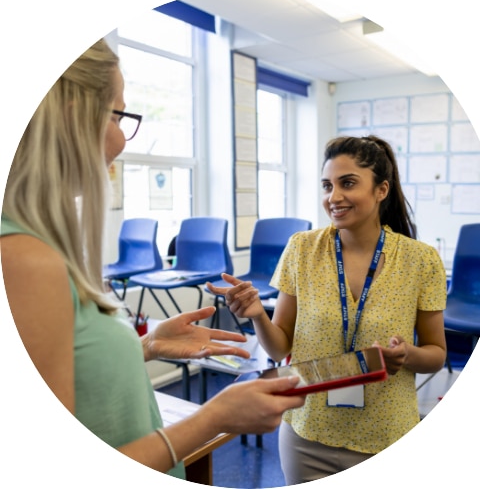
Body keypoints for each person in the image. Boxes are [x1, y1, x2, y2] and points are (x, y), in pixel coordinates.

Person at [0, 38, 305, 478]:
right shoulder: (25, 259)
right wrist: (214, 418)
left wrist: (145, 345)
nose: (122, 138)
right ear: (72, 114)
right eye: (119, 114)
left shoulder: (32, 244)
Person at [207, 135, 448, 484]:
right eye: (327, 185)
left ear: (381, 190)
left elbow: (436, 354)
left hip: (386, 435)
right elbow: (279, 347)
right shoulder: (302, 249)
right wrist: (258, 313)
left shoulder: (420, 259)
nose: (333, 197)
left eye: (347, 183)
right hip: (307, 430)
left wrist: (407, 354)